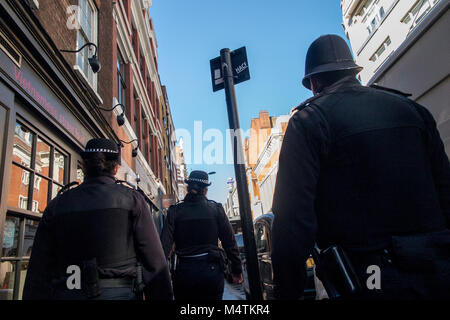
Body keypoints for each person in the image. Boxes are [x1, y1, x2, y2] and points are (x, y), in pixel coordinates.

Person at [271, 34, 450, 300]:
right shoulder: (412, 110)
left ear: (313, 82)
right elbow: (445, 189)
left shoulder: (309, 121)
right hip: (436, 270)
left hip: (370, 276)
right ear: (353, 71)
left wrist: (289, 292)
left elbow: (292, 222)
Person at [23, 138, 172, 300]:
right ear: (115, 168)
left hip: (68, 292)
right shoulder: (133, 200)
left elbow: (38, 269)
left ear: (84, 165)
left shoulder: (57, 204)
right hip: (120, 294)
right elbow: (155, 262)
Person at [160, 170, 243, 300]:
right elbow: (229, 242)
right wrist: (236, 269)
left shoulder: (175, 211)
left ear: (187, 188)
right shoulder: (216, 209)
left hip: (184, 274)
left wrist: (160, 275)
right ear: (205, 190)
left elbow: (164, 245)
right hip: (211, 272)